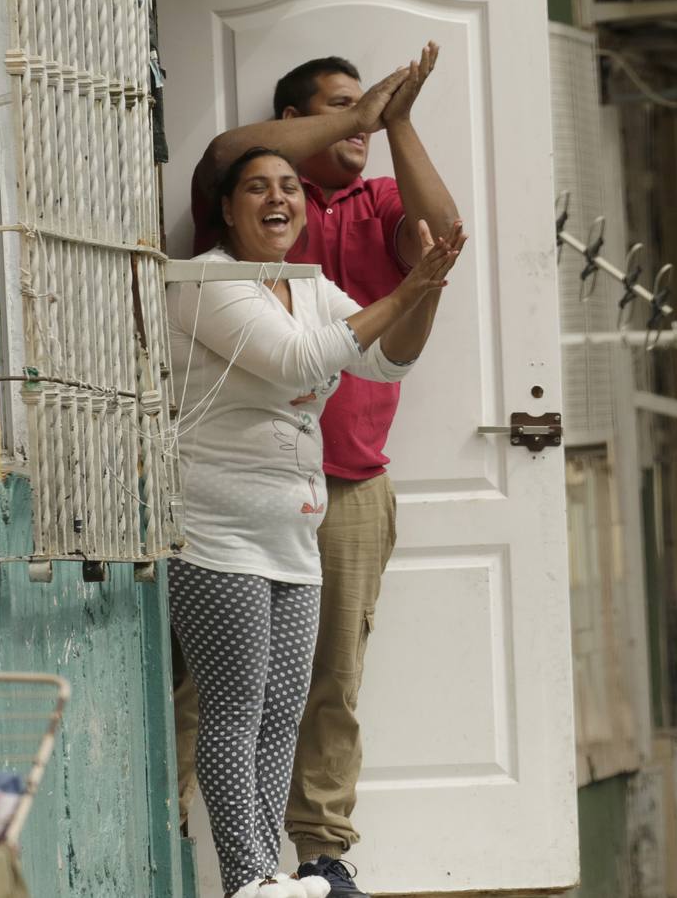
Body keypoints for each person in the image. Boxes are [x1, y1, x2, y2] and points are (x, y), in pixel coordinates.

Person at [174, 45, 460, 898]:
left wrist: (428, 285)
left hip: (296, 520)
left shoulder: (310, 277)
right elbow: (303, 366)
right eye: (260, 189)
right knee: (223, 707)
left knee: (285, 711)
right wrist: (409, 291)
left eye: (286, 190)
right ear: (224, 209)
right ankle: (244, 876)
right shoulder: (212, 278)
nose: (277, 198)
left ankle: (283, 872)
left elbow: (387, 364)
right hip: (219, 524)